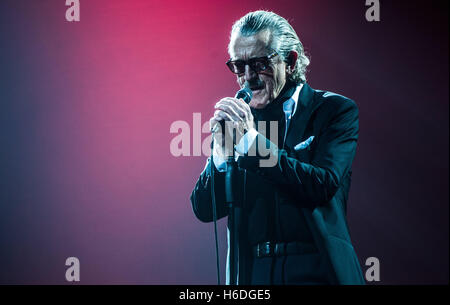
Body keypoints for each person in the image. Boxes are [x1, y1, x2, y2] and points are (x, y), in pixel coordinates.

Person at [190, 10, 365, 285]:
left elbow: (322, 184)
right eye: (238, 66)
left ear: (291, 61)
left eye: (259, 64)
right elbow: (204, 209)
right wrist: (220, 157)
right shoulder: (241, 123)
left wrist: (249, 142)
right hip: (254, 275)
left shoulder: (333, 110)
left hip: (317, 270)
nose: (247, 77)